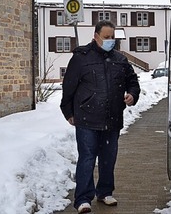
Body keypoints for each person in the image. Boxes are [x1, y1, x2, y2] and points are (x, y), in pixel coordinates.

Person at [60, 20, 141, 213]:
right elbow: (68, 86)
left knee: (108, 158)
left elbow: (133, 81)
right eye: (106, 37)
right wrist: (68, 112)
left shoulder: (120, 60)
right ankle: (82, 199)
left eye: (112, 37)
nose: (110, 41)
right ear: (96, 36)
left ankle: (105, 192)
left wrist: (132, 94)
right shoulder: (81, 58)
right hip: (87, 118)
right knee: (87, 158)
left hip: (112, 118)